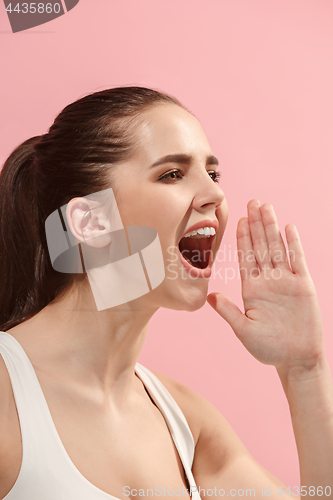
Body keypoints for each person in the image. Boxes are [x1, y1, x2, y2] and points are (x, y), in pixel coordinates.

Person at [0, 86, 332, 500]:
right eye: (172, 174)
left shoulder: (185, 423)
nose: (215, 194)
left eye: (213, 174)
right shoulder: (8, 395)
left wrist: (305, 370)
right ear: (90, 222)